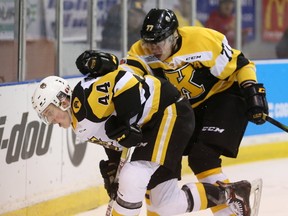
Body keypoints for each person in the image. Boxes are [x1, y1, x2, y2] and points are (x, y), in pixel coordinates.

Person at [31, 50, 253, 216]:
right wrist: (113, 166)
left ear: (62, 101)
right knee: (164, 204)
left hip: (167, 111)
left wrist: (128, 122)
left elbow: (124, 80)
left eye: (49, 112)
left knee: (133, 178)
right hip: (151, 127)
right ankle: (231, 194)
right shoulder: (77, 122)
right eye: (46, 116)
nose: (50, 120)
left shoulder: (84, 100)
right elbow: (115, 136)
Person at [123, 8, 269, 216]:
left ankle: (231, 212)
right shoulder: (140, 52)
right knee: (158, 163)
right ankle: (232, 202)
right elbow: (125, 83)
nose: (152, 48)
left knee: (203, 157)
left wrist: (252, 91)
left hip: (223, 96)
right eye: (148, 42)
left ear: (174, 36)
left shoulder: (202, 40)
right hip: (184, 109)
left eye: (158, 42)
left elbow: (240, 65)